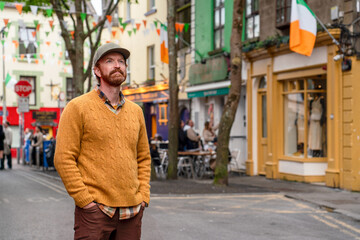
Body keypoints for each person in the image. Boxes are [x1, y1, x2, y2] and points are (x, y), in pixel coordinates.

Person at [54, 42, 151, 240]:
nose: (117, 65)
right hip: (95, 213)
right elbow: (64, 158)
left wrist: (143, 197)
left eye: (121, 62)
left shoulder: (137, 112)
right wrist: (85, 201)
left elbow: (143, 158)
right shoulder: (77, 108)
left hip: (132, 213)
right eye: (109, 61)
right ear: (97, 70)